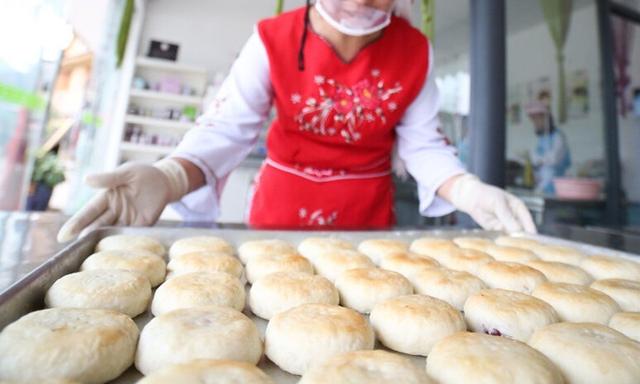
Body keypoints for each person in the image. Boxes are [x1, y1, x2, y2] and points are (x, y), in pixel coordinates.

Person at [57, 0, 536, 242]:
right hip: (280, 213)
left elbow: (423, 146)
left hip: (366, 218)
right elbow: (228, 130)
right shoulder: (272, 39)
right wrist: (170, 175)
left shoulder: (415, 52)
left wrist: (469, 190)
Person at [525, 100, 571, 195]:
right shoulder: (542, 139)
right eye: (533, 120)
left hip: (556, 188)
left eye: (537, 119)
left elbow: (554, 159)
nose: (535, 123)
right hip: (542, 186)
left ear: (546, 118)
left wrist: (539, 160)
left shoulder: (558, 137)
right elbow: (536, 160)